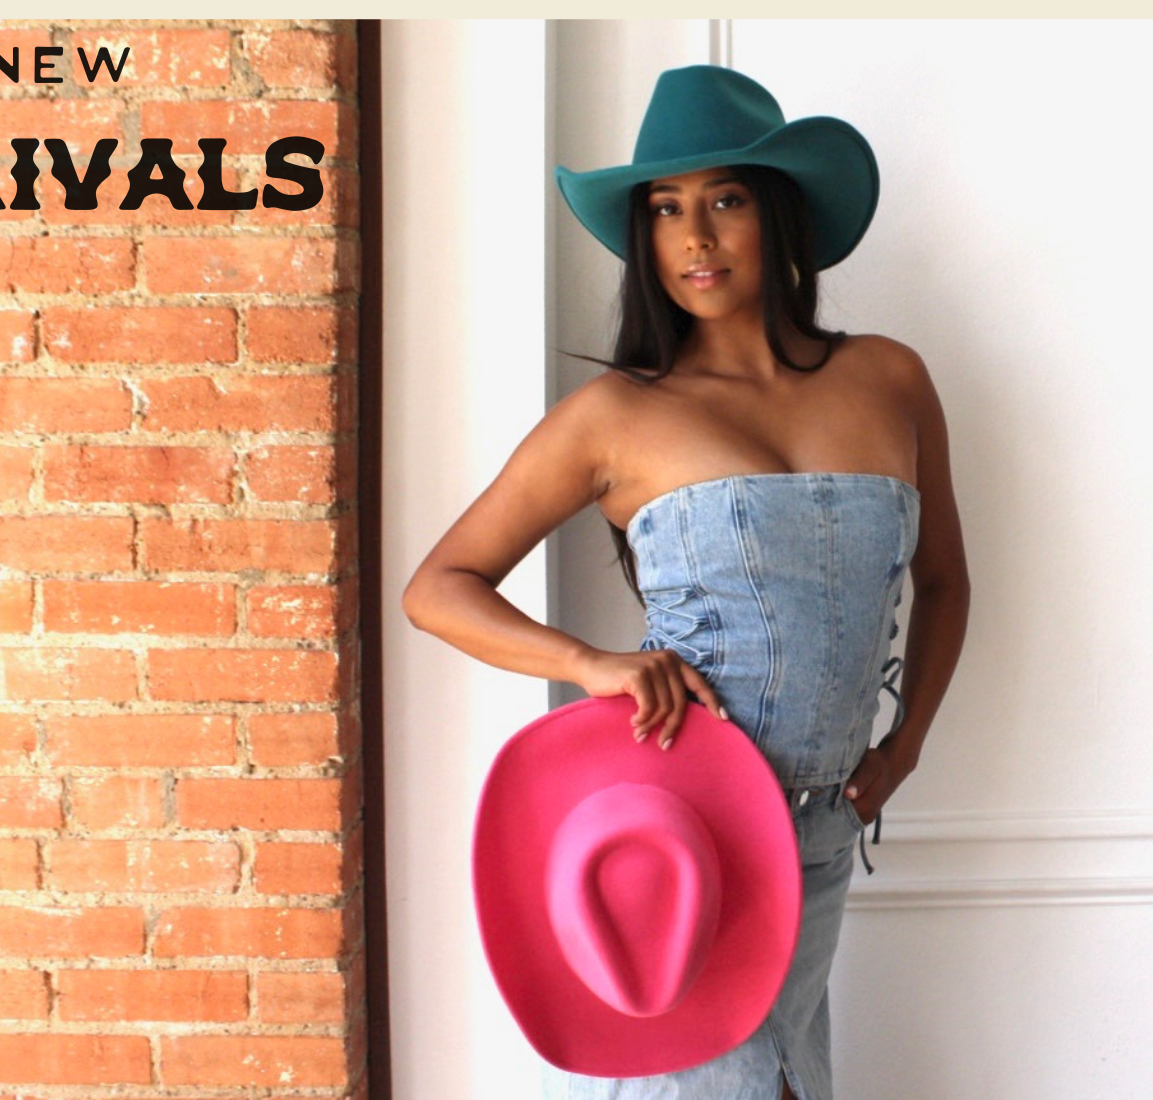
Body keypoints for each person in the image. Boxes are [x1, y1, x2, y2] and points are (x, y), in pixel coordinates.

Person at [401, 66, 970, 1100]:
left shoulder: (890, 376)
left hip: (826, 829)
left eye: (725, 200)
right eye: (664, 209)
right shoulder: (617, 415)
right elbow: (438, 585)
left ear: (778, 212)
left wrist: (907, 746)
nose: (695, 237)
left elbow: (944, 583)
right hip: (685, 822)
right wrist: (591, 664)